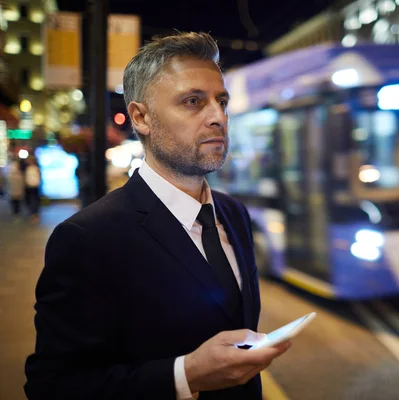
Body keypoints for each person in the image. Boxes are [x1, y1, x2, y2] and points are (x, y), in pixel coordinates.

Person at [24, 32, 290, 400]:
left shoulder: (234, 213)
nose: (218, 117)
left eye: (222, 101)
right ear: (141, 117)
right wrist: (185, 375)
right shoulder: (88, 238)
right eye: (193, 101)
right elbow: (53, 386)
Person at [24, 156, 42, 222]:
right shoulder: (28, 168)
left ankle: (34, 213)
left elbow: (39, 177)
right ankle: (33, 213)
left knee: (34, 200)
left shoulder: (36, 168)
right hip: (29, 186)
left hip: (35, 186)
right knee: (30, 200)